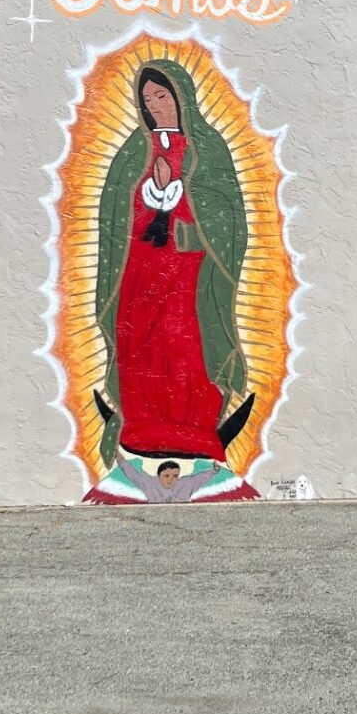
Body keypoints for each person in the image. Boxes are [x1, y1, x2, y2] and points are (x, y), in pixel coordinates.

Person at [81, 60, 259, 504]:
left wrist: (187, 217)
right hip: (140, 270)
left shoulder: (209, 149)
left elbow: (228, 215)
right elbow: (114, 214)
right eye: (147, 100)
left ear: (182, 97)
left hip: (188, 273)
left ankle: (194, 429)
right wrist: (149, 197)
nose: (156, 106)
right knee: (140, 342)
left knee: (185, 344)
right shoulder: (131, 153)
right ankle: (141, 427)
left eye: (162, 96)